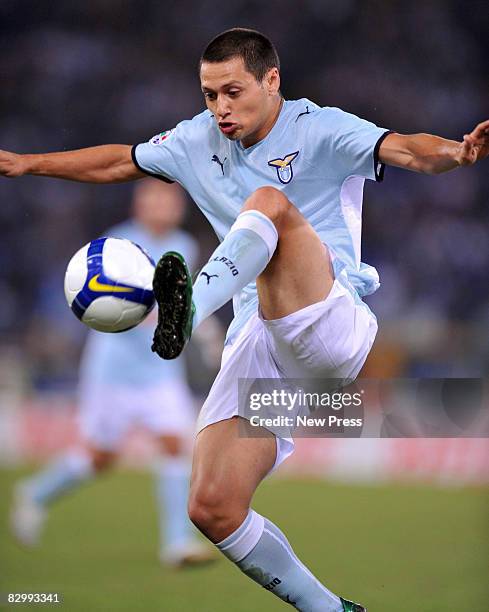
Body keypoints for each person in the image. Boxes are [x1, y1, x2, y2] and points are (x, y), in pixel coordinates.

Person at [2, 27, 488, 612]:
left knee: (269, 205)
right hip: (260, 345)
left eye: (232, 91)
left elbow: (408, 148)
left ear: (271, 80)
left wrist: (457, 153)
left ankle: (181, 316)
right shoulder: (194, 140)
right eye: (209, 94)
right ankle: (333, 610)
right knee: (212, 506)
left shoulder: (320, 127)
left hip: (329, 325)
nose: (220, 108)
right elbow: (119, 162)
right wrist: (29, 163)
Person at [10, 178, 215, 568]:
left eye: (169, 199)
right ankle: (36, 493)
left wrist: (199, 326)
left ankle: (176, 544)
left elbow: (182, 303)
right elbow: (100, 304)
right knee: (100, 458)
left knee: (174, 444)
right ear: (139, 204)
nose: (162, 206)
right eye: (153, 198)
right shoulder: (116, 245)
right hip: (113, 371)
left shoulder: (185, 247)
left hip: (159, 370)